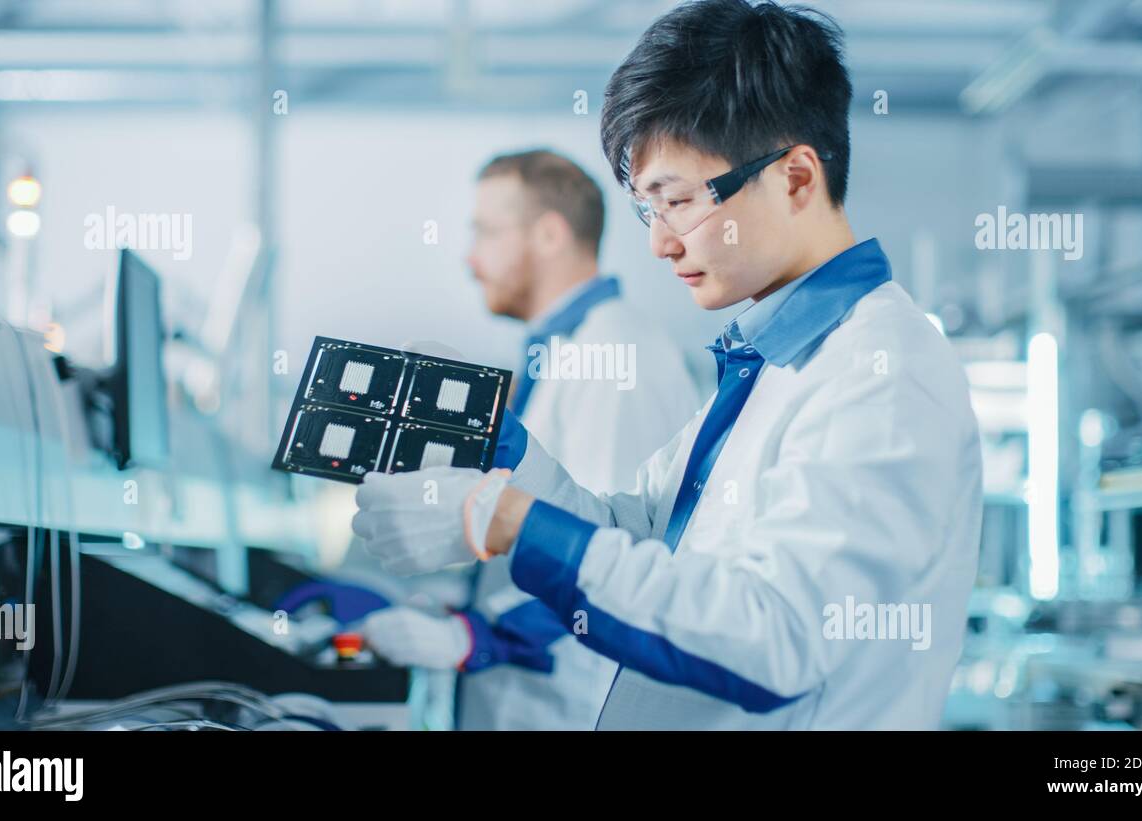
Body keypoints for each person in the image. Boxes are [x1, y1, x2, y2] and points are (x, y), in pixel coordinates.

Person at [352, 0, 982, 730]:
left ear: (797, 179)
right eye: (649, 211)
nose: (661, 244)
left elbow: (774, 639)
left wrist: (513, 524)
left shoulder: (882, 371)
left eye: (678, 202)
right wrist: (502, 452)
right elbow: (641, 535)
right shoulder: (769, 365)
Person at [359, 150, 700, 730]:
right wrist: (460, 605)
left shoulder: (617, 356)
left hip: (572, 704)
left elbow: (611, 554)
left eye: (487, 233)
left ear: (549, 233)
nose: (470, 259)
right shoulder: (561, 356)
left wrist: (476, 637)